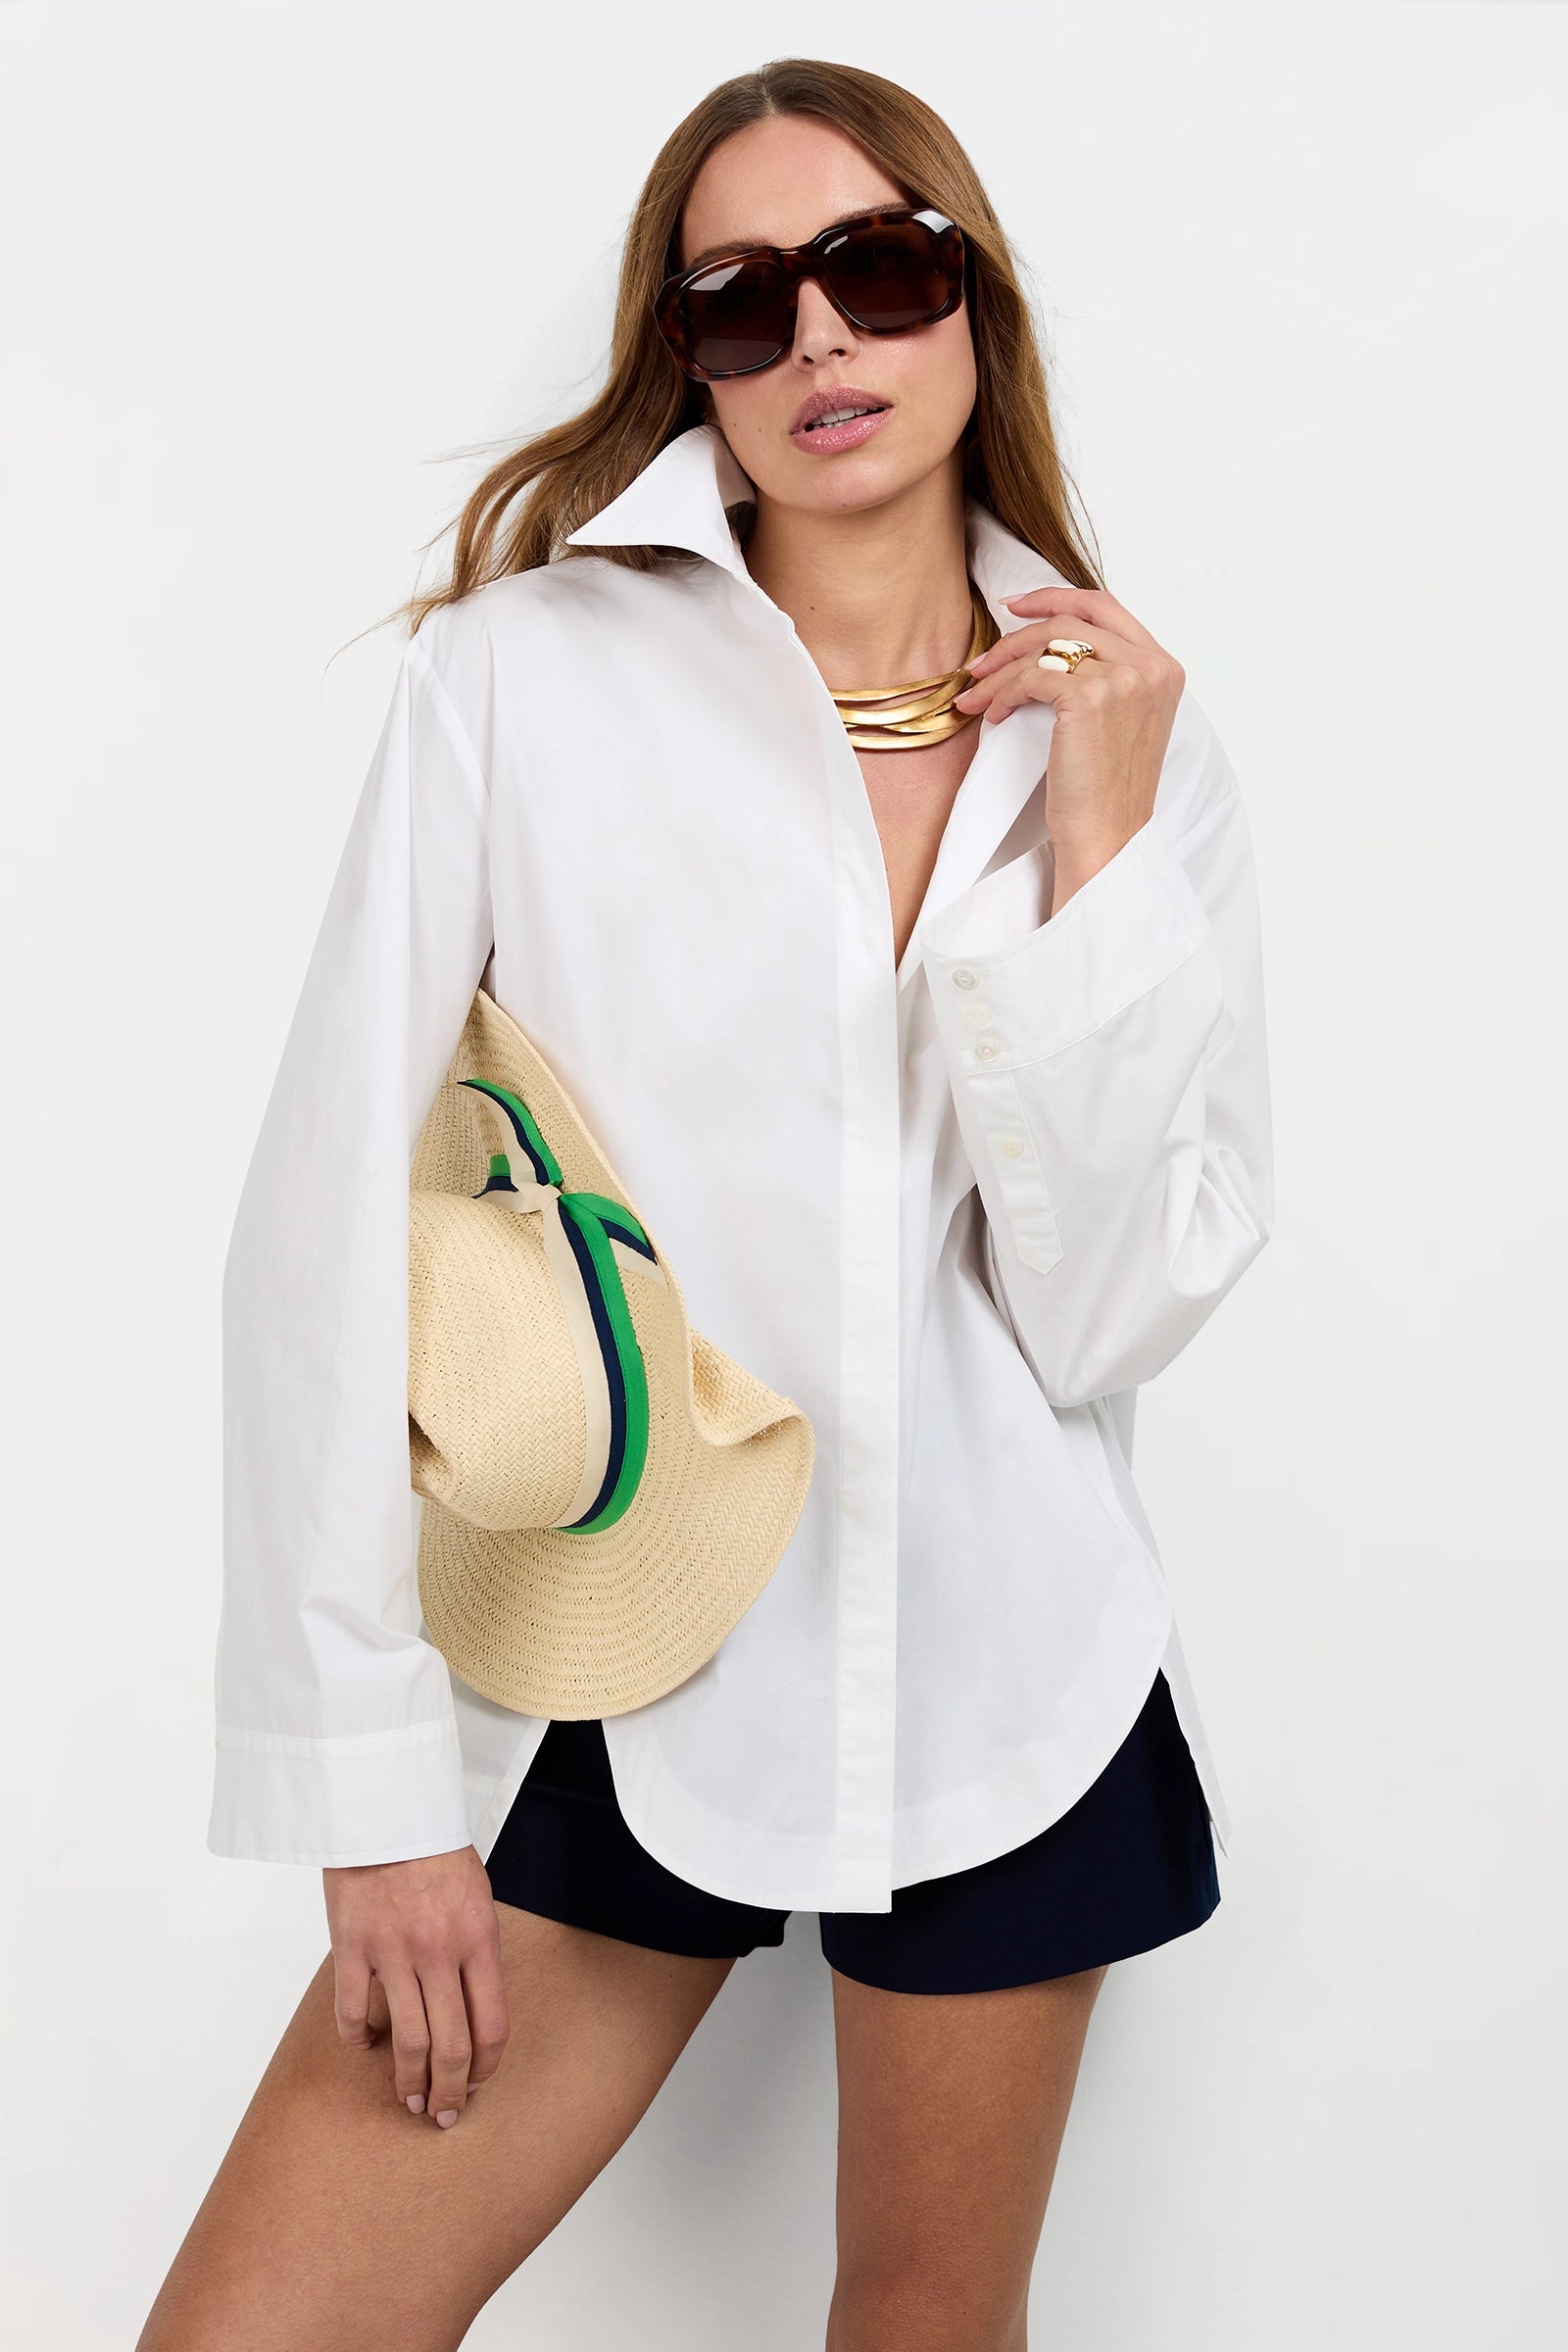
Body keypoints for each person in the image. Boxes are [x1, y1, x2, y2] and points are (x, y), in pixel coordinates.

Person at [138, 55, 1273, 2352]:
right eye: (740, 306)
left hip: (1007, 1672)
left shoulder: (1125, 734)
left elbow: (1108, 1317)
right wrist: (372, 1797)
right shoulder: (517, 684)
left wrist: (1106, 845)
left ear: (970, 302)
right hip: (614, 1655)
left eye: (872, 270)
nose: (818, 345)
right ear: (692, 366)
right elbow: (322, 1228)